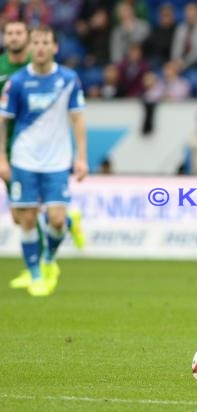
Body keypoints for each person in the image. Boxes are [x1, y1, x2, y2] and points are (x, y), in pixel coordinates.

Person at [0, 25, 88, 297]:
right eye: (36, 42)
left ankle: (49, 258)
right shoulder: (17, 82)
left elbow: (77, 118)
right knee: (24, 218)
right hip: (24, 158)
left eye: (44, 42)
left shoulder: (68, 79)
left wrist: (82, 158)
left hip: (57, 161)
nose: (39, 47)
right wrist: (3, 157)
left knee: (56, 220)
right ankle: (36, 274)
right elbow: (3, 120)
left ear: (54, 47)